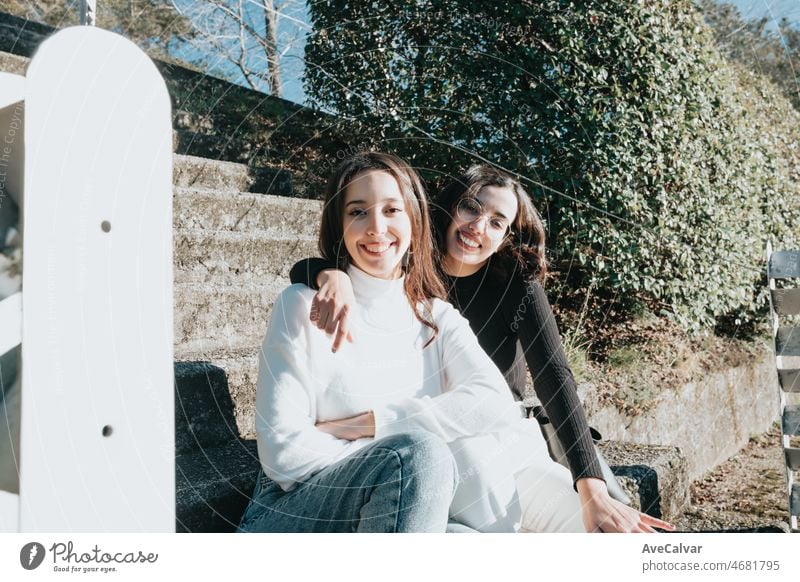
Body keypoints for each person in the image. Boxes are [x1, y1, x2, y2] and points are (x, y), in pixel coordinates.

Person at [289, 163, 675, 533]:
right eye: (471, 207)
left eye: (496, 222)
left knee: (609, 530)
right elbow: (314, 266)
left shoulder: (517, 286)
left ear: (507, 235)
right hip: (427, 442)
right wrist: (331, 273)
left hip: (503, 436)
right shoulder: (406, 267)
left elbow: (554, 376)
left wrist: (590, 485)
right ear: (450, 205)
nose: (478, 227)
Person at [238, 151, 545, 533]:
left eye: (392, 210)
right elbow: (285, 455)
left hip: (394, 508)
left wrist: (367, 425)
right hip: (293, 513)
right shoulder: (302, 307)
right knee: (423, 456)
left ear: (415, 221)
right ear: (340, 226)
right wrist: (392, 458)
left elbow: (492, 403)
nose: (376, 227)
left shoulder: (436, 318)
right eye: (357, 211)